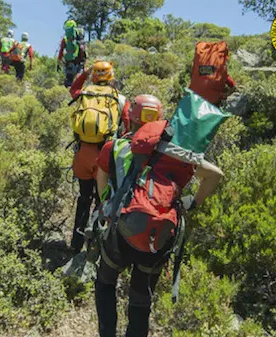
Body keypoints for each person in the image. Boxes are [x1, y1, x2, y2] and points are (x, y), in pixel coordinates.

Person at [93, 94, 225, 337]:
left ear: (130, 117)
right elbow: (215, 174)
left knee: (105, 283)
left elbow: (101, 178)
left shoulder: (114, 147)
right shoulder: (176, 153)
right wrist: (191, 203)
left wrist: (105, 205)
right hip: (157, 236)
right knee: (141, 301)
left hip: (120, 231)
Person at [68, 60, 129, 254]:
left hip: (81, 154)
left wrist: (84, 73)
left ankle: (75, 244)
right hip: (104, 155)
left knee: (84, 197)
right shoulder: (119, 98)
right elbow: (127, 126)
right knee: (102, 200)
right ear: (111, 76)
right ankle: (93, 246)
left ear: (93, 75)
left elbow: (73, 88)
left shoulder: (84, 93)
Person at [58, 20, 87, 88]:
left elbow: (61, 51)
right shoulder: (80, 38)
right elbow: (82, 49)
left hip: (69, 62)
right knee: (79, 82)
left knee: (69, 81)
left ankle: (68, 94)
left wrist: (59, 62)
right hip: (79, 62)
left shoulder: (65, 39)